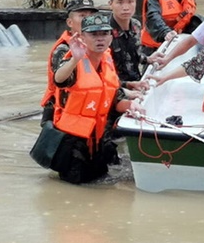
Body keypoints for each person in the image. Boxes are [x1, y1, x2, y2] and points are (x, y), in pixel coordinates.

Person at [49, 12, 144, 184]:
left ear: (110, 36)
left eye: (104, 34)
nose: (99, 39)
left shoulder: (107, 61)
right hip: (73, 144)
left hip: (99, 140)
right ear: (83, 37)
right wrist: (74, 59)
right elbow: (59, 79)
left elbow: (116, 98)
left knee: (103, 186)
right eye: (93, 34)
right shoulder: (74, 61)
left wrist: (132, 106)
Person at [40, 0, 98, 125]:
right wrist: (74, 60)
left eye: (91, 16)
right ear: (70, 22)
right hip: (61, 116)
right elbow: (62, 82)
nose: (88, 20)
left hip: (86, 111)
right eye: (82, 16)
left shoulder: (98, 46)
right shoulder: (63, 49)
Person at [107, 0, 149, 96]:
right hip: (115, 91)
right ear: (110, 4)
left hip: (137, 84)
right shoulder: (104, 33)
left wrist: (148, 59)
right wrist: (126, 87)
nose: (126, 7)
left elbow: (133, 54)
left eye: (130, 1)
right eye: (120, 2)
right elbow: (101, 71)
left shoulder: (136, 25)